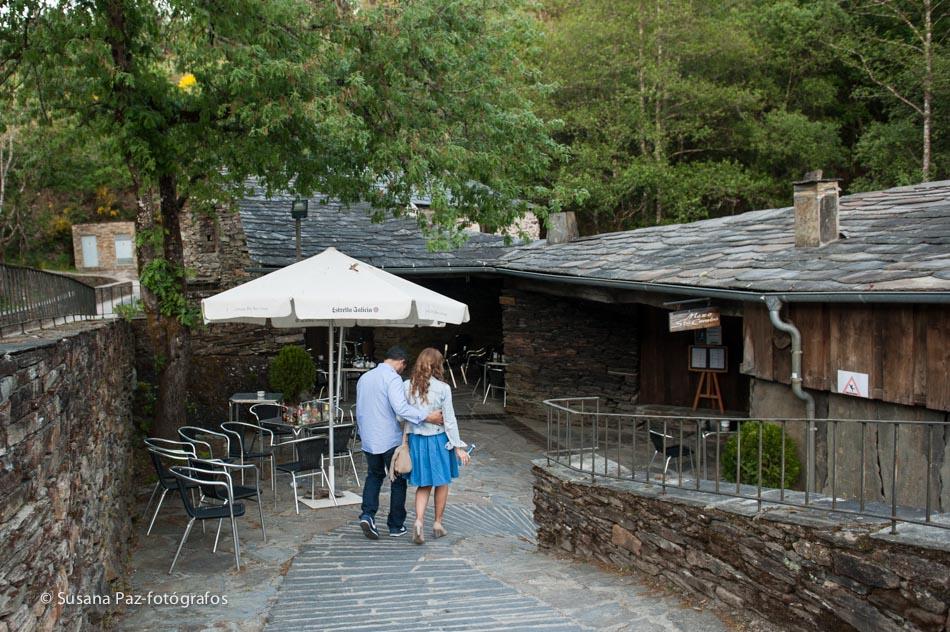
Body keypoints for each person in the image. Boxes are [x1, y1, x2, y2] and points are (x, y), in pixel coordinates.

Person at [355, 346, 444, 540]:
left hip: (369, 439)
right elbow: (401, 409)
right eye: (404, 367)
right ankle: (395, 525)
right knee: (398, 481)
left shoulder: (365, 378)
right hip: (389, 438)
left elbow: (359, 410)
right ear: (402, 362)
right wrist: (427, 417)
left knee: (374, 476)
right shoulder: (393, 378)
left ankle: (367, 514)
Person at [403, 347, 470, 545]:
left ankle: (418, 521)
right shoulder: (443, 388)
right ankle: (438, 523)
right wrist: (457, 446)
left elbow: (401, 415)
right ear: (437, 365)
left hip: (417, 441)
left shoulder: (407, 386)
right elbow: (449, 420)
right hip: (439, 441)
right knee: (442, 482)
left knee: (424, 484)